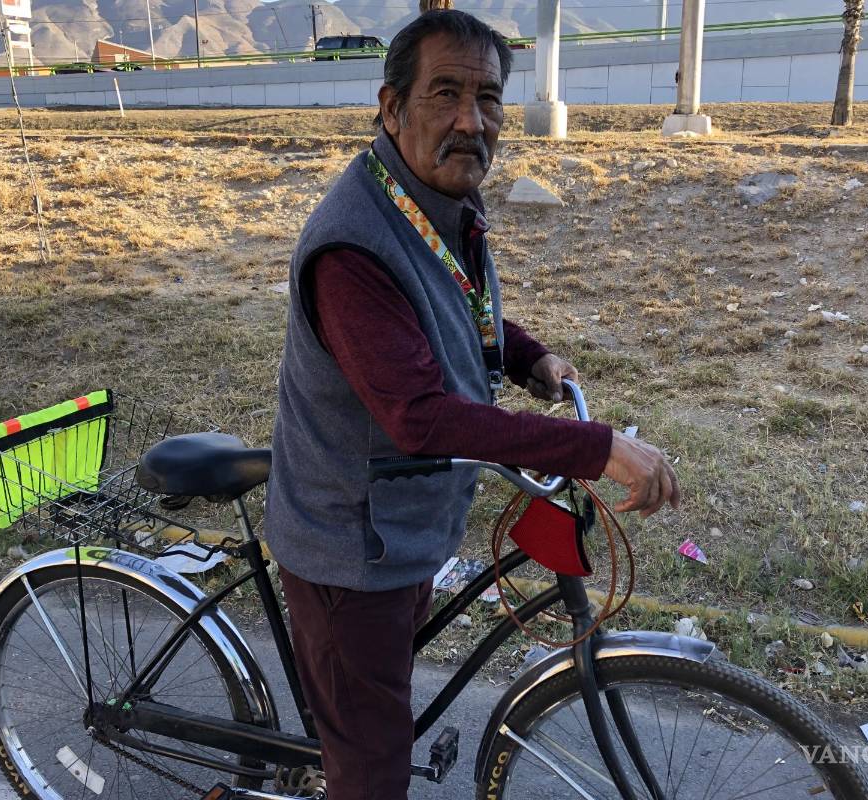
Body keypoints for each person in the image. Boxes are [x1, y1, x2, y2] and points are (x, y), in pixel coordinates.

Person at [265, 10, 680, 800]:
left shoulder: (433, 198)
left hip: (400, 522)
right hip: (350, 548)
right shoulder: (353, 248)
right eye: (445, 93)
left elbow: (454, 308)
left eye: (487, 97)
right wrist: (596, 447)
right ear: (392, 108)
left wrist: (527, 357)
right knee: (371, 770)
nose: (470, 120)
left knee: (373, 704)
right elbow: (419, 416)